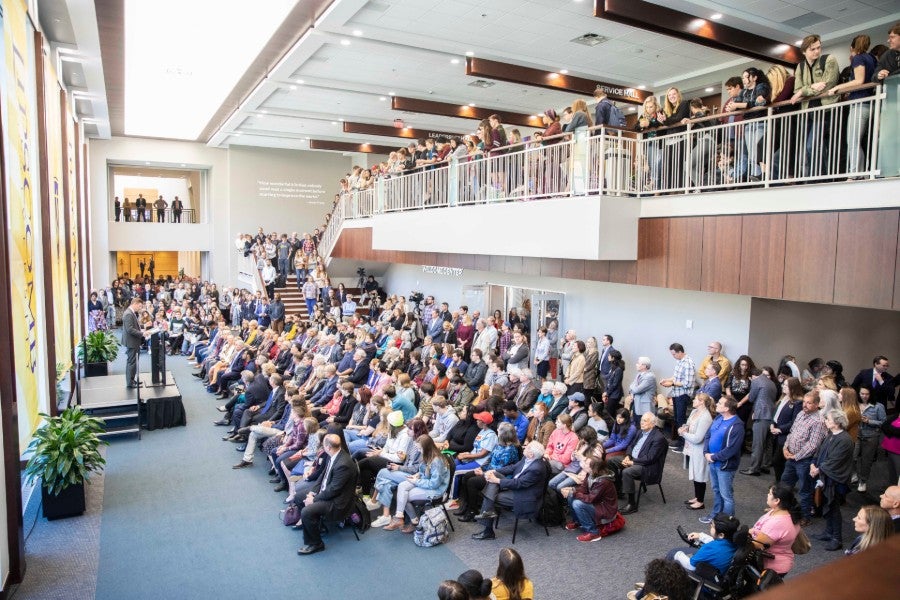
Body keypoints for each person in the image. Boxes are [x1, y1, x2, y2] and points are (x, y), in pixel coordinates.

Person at [470, 441, 547, 541]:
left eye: (527, 447)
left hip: (525, 495)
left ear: (531, 454)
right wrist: (492, 471)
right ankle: (488, 518)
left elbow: (519, 483)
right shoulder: (527, 458)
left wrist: (496, 480)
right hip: (516, 487)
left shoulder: (537, 468)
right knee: (493, 485)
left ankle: (488, 528)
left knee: (492, 495)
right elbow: (512, 468)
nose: (524, 447)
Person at [297, 434, 358, 555]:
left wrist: (314, 500)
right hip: (328, 493)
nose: (322, 447)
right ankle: (316, 526)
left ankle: (316, 544)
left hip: (338, 502)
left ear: (328, 447)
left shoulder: (343, 464)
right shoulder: (334, 455)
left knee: (306, 511)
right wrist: (312, 493)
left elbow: (333, 490)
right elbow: (322, 477)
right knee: (298, 497)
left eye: (323, 445)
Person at [781, 391, 828, 526]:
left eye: (809, 403)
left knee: (804, 490)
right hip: (791, 457)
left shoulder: (818, 422)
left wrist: (796, 456)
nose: (805, 405)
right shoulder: (801, 414)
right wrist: (785, 448)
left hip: (804, 460)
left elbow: (813, 445)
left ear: (817, 405)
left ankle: (805, 517)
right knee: (784, 486)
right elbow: (792, 433)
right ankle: (784, 511)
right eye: (804, 402)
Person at [810, 409, 854, 551]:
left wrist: (818, 469)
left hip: (835, 480)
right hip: (824, 477)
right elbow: (819, 451)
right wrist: (813, 463)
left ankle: (837, 538)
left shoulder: (845, 440)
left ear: (836, 422)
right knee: (825, 506)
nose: (826, 421)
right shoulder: (830, 435)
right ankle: (829, 532)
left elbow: (835, 461)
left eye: (828, 419)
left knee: (833, 508)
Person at [610, 411, 667, 515]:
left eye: (645, 421)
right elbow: (631, 446)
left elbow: (650, 458)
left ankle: (632, 504)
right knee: (611, 461)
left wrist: (632, 462)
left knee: (627, 472)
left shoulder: (659, 438)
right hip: (633, 459)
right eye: (641, 420)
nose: (642, 423)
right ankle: (619, 489)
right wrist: (627, 456)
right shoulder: (640, 432)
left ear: (653, 424)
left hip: (648, 467)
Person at [702, 397, 744, 524]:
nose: (717, 404)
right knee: (716, 490)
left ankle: (726, 523)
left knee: (726, 495)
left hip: (725, 465)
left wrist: (713, 457)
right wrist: (706, 452)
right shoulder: (718, 418)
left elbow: (731, 449)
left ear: (726, 408)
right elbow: (708, 435)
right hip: (713, 462)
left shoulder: (737, 426)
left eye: (720, 403)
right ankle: (716, 515)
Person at [667, 513, 747, 575]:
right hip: (719, 570)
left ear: (721, 535)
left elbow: (690, 566)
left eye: (712, 526)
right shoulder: (735, 541)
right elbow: (718, 542)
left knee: (673, 553)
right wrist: (700, 536)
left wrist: (678, 555)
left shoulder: (710, 548)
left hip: (705, 580)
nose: (710, 527)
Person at [561, 456, 619, 542]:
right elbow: (583, 489)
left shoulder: (603, 481)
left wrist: (573, 492)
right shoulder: (590, 473)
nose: (583, 464)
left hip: (606, 510)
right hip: (598, 503)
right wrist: (572, 490)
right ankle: (578, 522)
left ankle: (593, 533)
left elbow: (590, 499)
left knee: (577, 503)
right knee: (571, 496)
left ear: (593, 468)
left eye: (586, 463)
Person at [749, 483, 802, 576]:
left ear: (777, 500)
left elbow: (757, 545)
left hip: (770, 568)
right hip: (774, 564)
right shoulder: (780, 511)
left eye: (769, 494)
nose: (767, 495)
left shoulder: (777, 523)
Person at [679, 393, 715, 511]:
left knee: (700, 475)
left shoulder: (706, 417)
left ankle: (700, 501)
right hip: (691, 447)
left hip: (699, 450)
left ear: (701, 402)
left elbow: (698, 438)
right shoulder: (695, 412)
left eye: (695, 399)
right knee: (695, 473)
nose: (693, 400)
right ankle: (697, 497)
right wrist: (684, 427)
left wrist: (683, 433)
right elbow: (688, 424)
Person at [741, 368, 778, 476]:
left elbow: (751, 398)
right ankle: (765, 465)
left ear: (753, 376)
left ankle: (754, 468)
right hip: (771, 415)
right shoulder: (772, 383)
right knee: (768, 443)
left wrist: (753, 384)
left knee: (757, 444)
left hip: (761, 414)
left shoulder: (756, 381)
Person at [660, 343, 695, 451]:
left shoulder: (688, 363)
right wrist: (667, 380)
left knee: (681, 419)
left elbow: (687, 383)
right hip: (676, 393)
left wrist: (672, 384)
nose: (673, 356)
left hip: (683, 395)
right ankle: (679, 440)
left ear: (680, 352)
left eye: (674, 354)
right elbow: (675, 377)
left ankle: (683, 444)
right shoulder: (679, 361)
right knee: (677, 418)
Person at [856, 387, 886, 492]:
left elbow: (883, 422)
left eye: (867, 394)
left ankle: (863, 481)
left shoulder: (878, 406)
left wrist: (869, 421)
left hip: (871, 436)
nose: (864, 396)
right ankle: (856, 474)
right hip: (856, 435)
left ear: (871, 394)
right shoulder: (856, 404)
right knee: (853, 458)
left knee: (866, 461)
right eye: (862, 393)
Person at [121, 297, 145, 388]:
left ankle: (131, 379)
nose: (140, 308)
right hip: (131, 341)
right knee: (132, 362)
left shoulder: (131, 313)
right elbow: (130, 329)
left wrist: (143, 326)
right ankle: (130, 382)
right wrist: (142, 333)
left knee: (133, 361)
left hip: (133, 341)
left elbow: (134, 326)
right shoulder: (128, 314)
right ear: (134, 303)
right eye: (139, 306)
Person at [627, 357, 657, 425]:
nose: (636, 365)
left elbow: (637, 390)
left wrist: (633, 388)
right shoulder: (639, 374)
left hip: (644, 407)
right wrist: (632, 390)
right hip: (636, 404)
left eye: (638, 363)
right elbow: (631, 386)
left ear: (644, 366)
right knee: (637, 425)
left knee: (644, 426)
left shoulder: (650, 377)